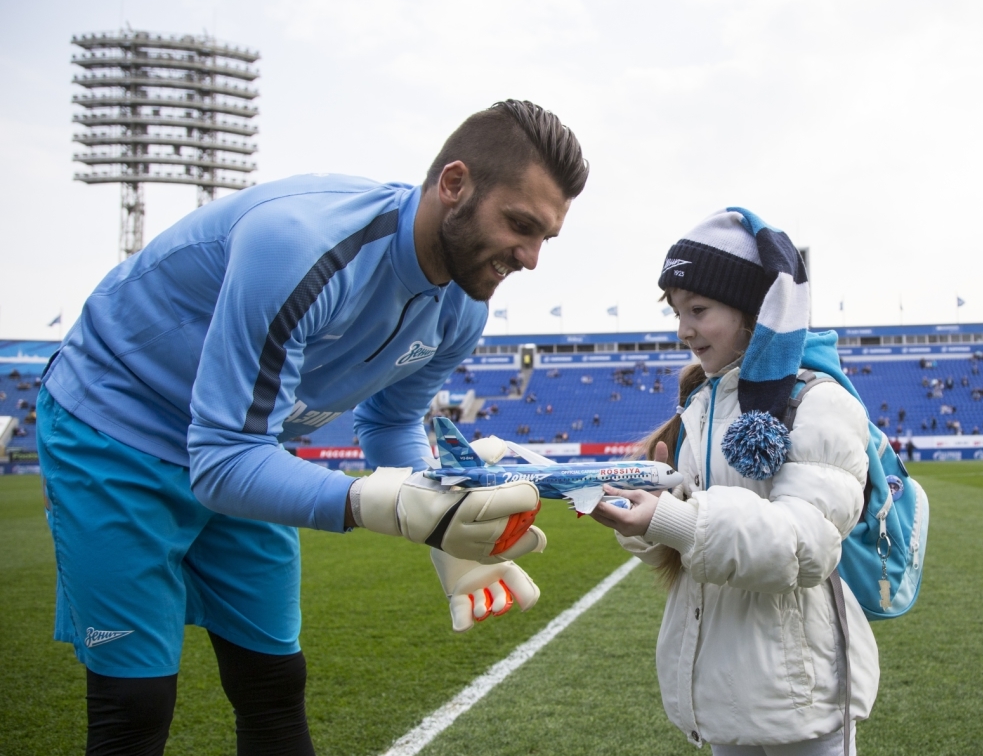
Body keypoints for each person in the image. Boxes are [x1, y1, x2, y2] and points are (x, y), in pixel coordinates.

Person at [37, 100, 588, 755]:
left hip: (247, 447)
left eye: (545, 238)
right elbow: (221, 459)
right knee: (135, 704)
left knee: (274, 682)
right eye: (519, 225)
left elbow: (391, 422)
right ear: (454, 184)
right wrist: (379, 503)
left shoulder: (461, 309)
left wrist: (447, 533)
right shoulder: (301, 243)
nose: (530, 258)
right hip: (117, 428)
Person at [590, 208, 878, 754]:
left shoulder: (820, 402)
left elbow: (805, 545)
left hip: (801, 695)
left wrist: (675, 518)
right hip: (719, 693)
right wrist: (648, 518)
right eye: (677, 312)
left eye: (698, 309)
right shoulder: (700, 407)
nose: (683, 330)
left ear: (753, 310)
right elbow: (684, 545)